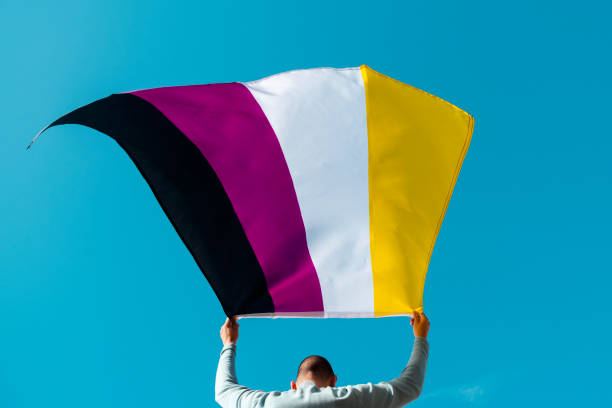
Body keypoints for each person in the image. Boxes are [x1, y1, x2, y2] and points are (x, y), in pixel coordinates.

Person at [215, 311, 430, 407]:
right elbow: (410, 386)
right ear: (333, 382)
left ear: (293, 386)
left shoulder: (269, 404)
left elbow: (224, 392)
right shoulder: (350, 400)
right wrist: (420, 337)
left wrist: (229, 344)